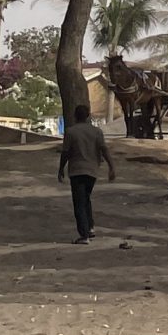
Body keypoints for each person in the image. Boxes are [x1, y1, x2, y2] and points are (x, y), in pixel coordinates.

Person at [58, 103, 116, 244]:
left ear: (75, 116)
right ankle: (90, 227)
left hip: (77, 170)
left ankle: (84, 235)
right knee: (86, 199)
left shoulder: (71, 132)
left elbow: (66, 152)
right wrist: (111, 167)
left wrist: (60, 169)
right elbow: (104, 149)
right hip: (92, 171)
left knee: (79, 202)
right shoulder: (97, 132)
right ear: (88, 116)